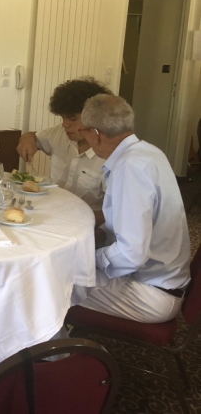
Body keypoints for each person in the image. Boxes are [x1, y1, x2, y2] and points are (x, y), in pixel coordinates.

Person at [73, 94, 190, 324]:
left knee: (47, 282)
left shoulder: (129, 168)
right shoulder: (148, 152)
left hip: (151, 292)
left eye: (84, 131)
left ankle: (56, 346)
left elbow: (131, 255)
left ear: (96, 134)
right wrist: (95, 234)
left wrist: (88, 257)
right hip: (163, 278)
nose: (84, 136)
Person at [16, 78, 112, 224]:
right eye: (62, 117)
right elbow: (32, 136)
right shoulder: (60, 134)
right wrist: (27, 140)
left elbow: (113, 213)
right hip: (50, 215)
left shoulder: (110, 156)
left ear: (96, 118)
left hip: (86, 224)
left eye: (72, 119)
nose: (64, 124)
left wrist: (73, 218)